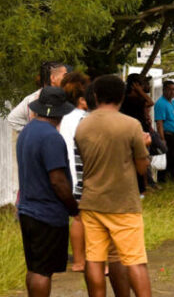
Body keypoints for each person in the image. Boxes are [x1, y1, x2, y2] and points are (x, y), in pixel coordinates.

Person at [75, 75, 153, 297]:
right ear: (121, 97)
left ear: (96, 96)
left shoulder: (83, 126)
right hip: (123, 203)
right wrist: (143, 145)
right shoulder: (130, 125)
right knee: (135, 261)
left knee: (95, 259)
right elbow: (141, 168)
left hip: (91, 202)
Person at [16, 86, 79, 296]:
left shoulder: (28, 130)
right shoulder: (52, 137)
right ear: (62, 111)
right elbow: (58, 181)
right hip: (47, 213)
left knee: (35, 268)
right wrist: (73, 207)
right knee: (44, 271)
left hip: (27, 209)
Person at [58, 73, 90, 272]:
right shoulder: (84, 119)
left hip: (64, 175)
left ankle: (78, 261)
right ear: (81, 99)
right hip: (82, 174)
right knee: (91, 219)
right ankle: (96, 262)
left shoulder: (60, 118)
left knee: (77, 219)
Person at [121, 74, 158, 194]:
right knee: (138, 160)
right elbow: (150, 102)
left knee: (144, 160)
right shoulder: (128, 99)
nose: (143, 87)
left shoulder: (138, 99)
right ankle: (140, 188)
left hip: (142, 132)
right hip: (133, 133)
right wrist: (139, 91)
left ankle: (144, 186)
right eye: (140, 84)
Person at [9, 61, 68, 132]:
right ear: (53, 78)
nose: (68, 79)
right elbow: (12, 119)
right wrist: (30, 131)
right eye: (65, 76)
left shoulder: (65, 96)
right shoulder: (33, 99)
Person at [154, 81, 174, 184]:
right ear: (164, 90)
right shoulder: (161, 103)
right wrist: (162, 139)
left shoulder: (172, 102)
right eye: (169, 89)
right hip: (167, 136)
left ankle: (171, 180)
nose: (172, 92)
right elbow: (159, 123)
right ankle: (163, 181)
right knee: (168, 160)